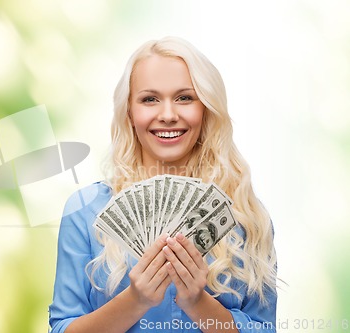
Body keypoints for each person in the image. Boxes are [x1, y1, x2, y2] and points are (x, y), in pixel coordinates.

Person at [49, 36, 277, 333]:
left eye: (184, 97)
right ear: (129, 112)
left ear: (206, 109)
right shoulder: (84, 211)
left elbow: (263, 328)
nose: (168, 115)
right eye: (149, 99)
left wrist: (197, 302)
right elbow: (62, 329)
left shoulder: (246, 216)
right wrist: (135, 300)